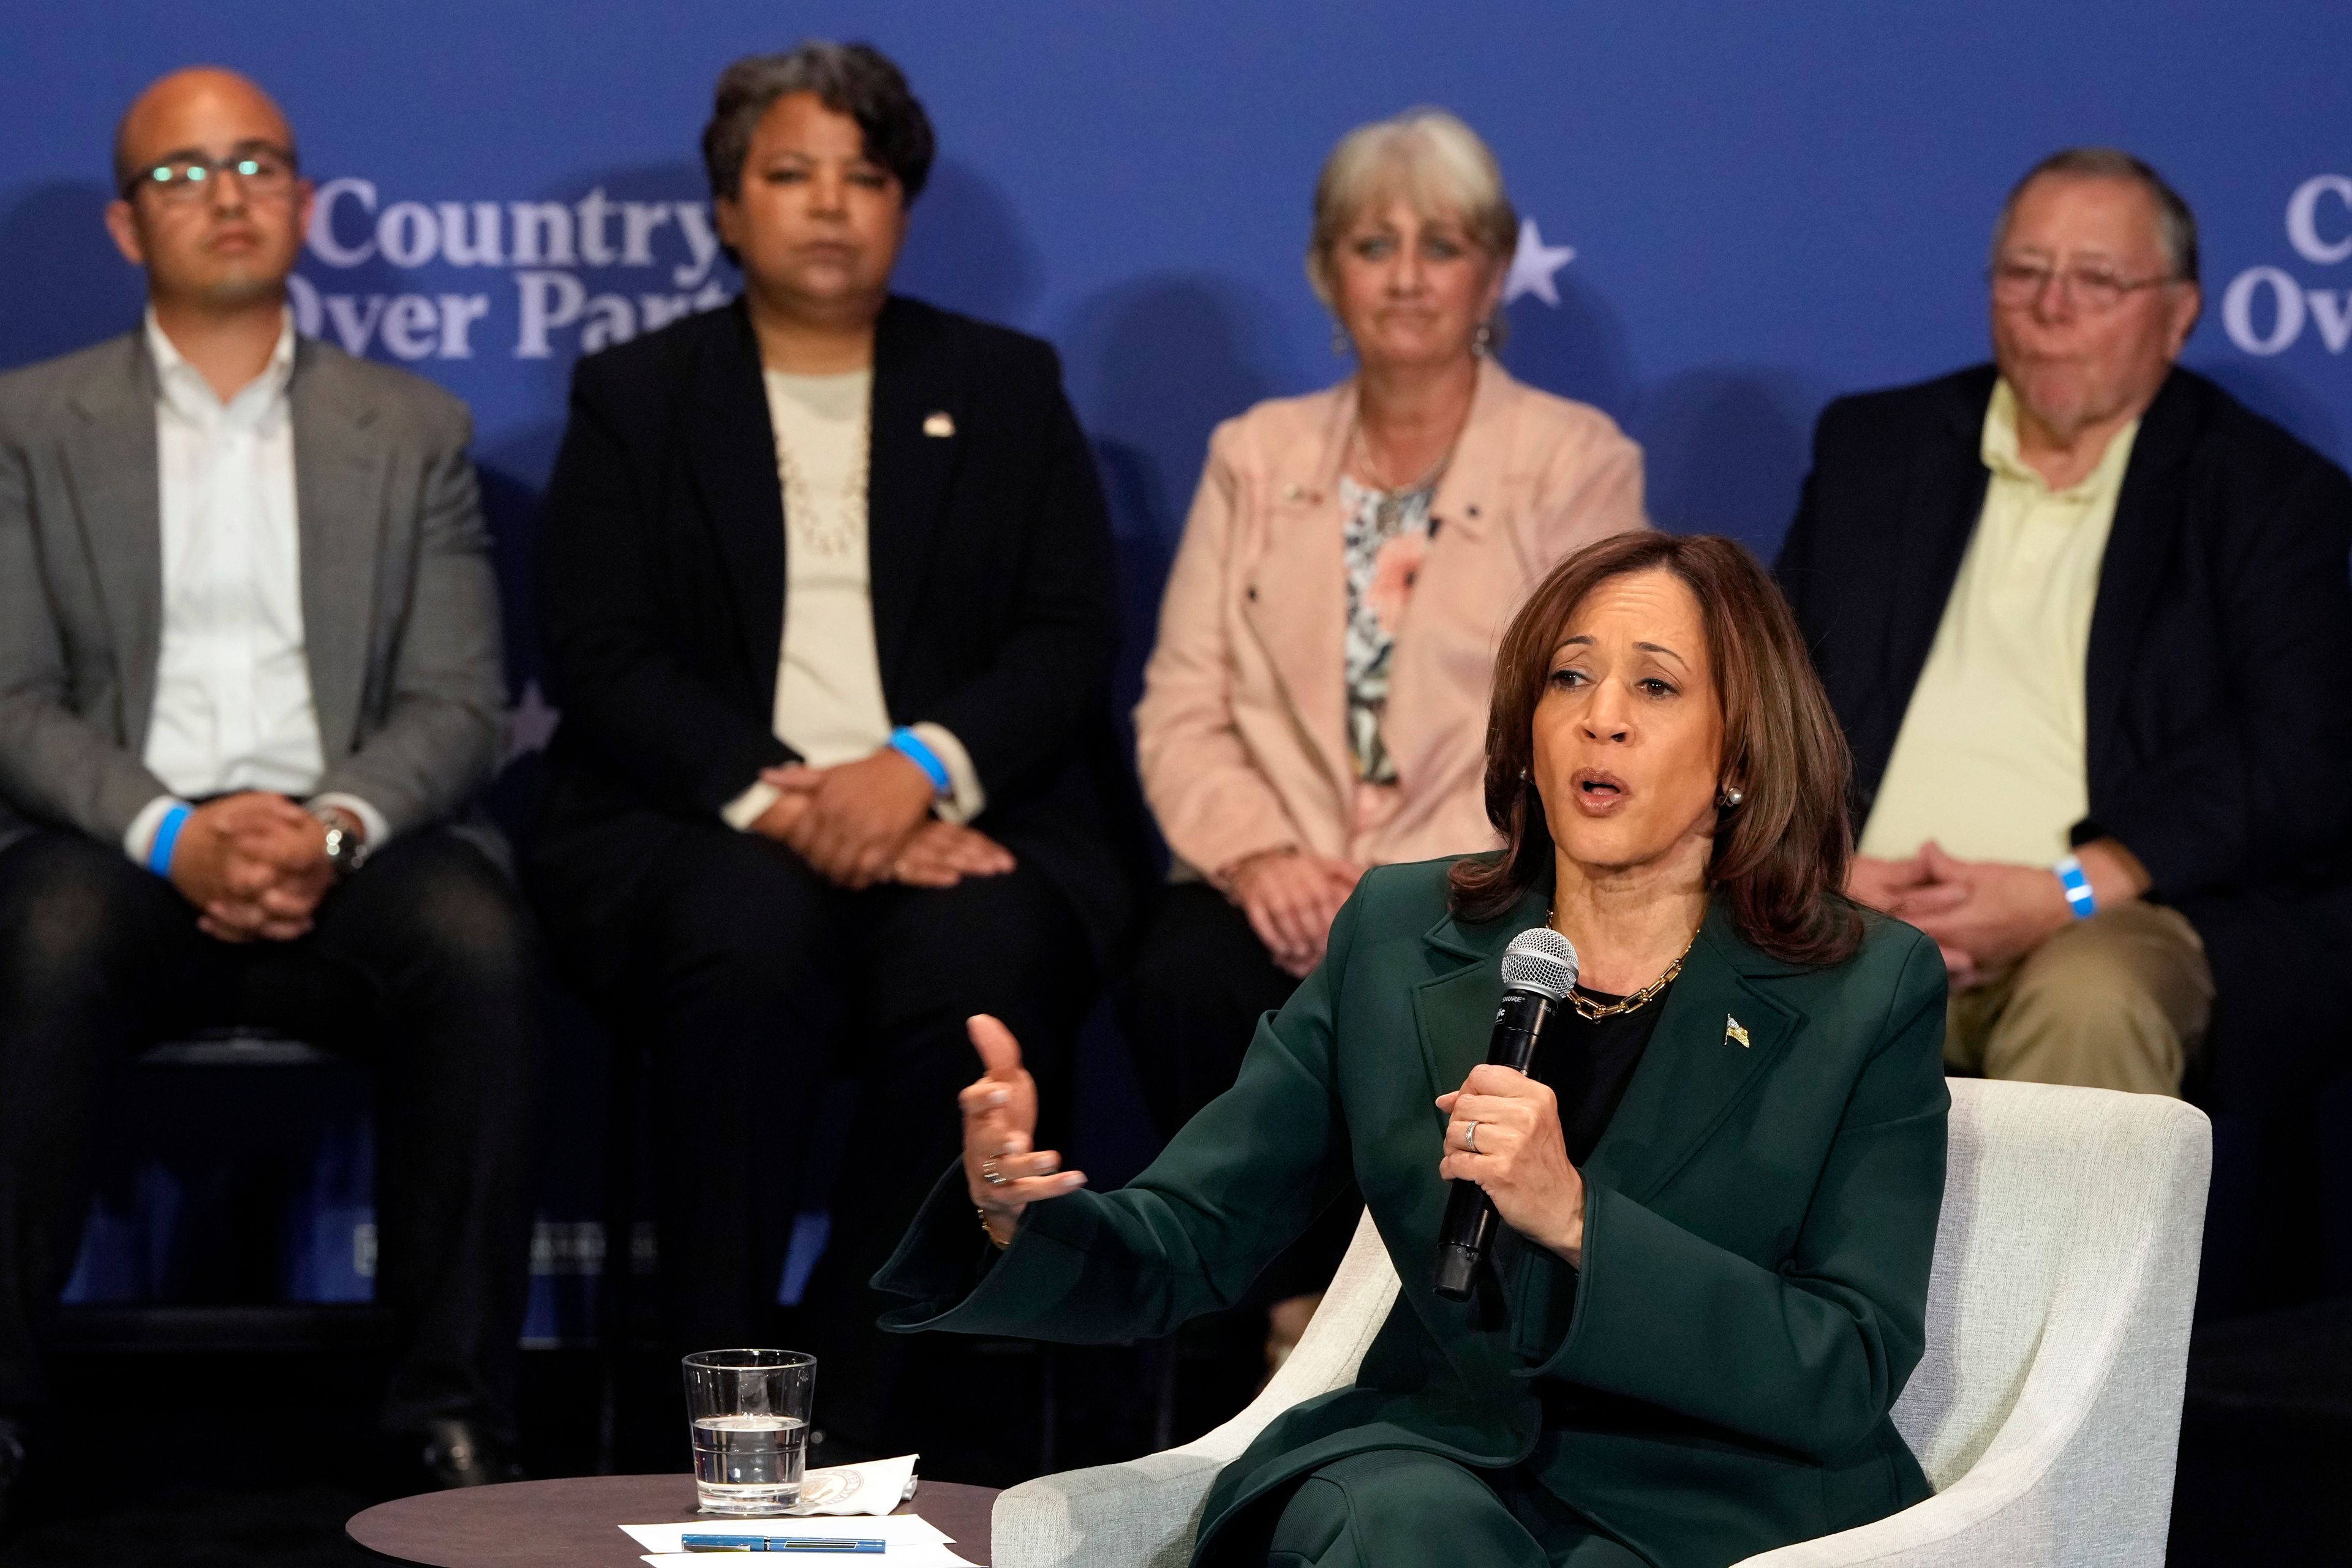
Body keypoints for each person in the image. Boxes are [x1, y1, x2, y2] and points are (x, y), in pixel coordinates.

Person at [880, 533, 1950, 1568]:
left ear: (1742, 754)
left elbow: (1847, 1366)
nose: (1601, 721)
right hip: (1443, 1467)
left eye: (1656, 689)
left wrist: (1577, 1223)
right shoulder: (1403, 936)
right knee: (1397, 1525)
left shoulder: (1862, 988)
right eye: (1569, 680)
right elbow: (1196, 1233)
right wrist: (1015, 1216)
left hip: (1715, 1504)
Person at [527, 41, 1132, 1459]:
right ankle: (721, 1386)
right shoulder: (641, 393)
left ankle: (854, 1393)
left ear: (903, 207)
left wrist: (912, 769)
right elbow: (601, 652)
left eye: (864, 176)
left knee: (981, 964)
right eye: (789, 174)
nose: (828, 205)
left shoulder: (1001, 382)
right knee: (744, 944)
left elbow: (1064, 633)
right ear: (728, 208)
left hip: (957, 809)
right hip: (711, 821)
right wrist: (797, 805)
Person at [0, 68, 541, 1515]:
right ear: (125, 227)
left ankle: (453, 1417)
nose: (226, 192)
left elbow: (458, 703)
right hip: (119, 842)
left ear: (304, 199)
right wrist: (174, 833)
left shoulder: (410, 426)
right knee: (36, 933)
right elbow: (11, 700)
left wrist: (331, 826)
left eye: (256, 163)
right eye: (182, 174)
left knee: (479, 939)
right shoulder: (29, 425)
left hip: (348, 840)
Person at [1122, 108, 1644, 1374]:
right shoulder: (1252, 456)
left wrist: (1392, 883)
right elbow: (1182, 700)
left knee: (1437, 975)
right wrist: (1257, 857)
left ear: (1494, 269)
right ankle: (1249, 1320)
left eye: (1444, 242)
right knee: (1181, 966)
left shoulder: (1574, 460)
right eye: (1373, 242)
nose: (1407, 275)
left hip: (1476, 873)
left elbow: (1584, 717)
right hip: (1272, 880)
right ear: (1324, 270)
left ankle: (1376, 1334)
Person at [1776, 147, 2352, 1111]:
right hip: (1860, 897)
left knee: (2093, 999)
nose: (2053, 307)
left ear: (2179, 315)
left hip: (2112, 914)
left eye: (2098, 280)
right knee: (1742, 969)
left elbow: (2293, 755)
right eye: (2026, 273)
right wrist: (1821, 866)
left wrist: (2066, 893)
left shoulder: (2265, 494)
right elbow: (1769, 689)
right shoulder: (1877, 451)